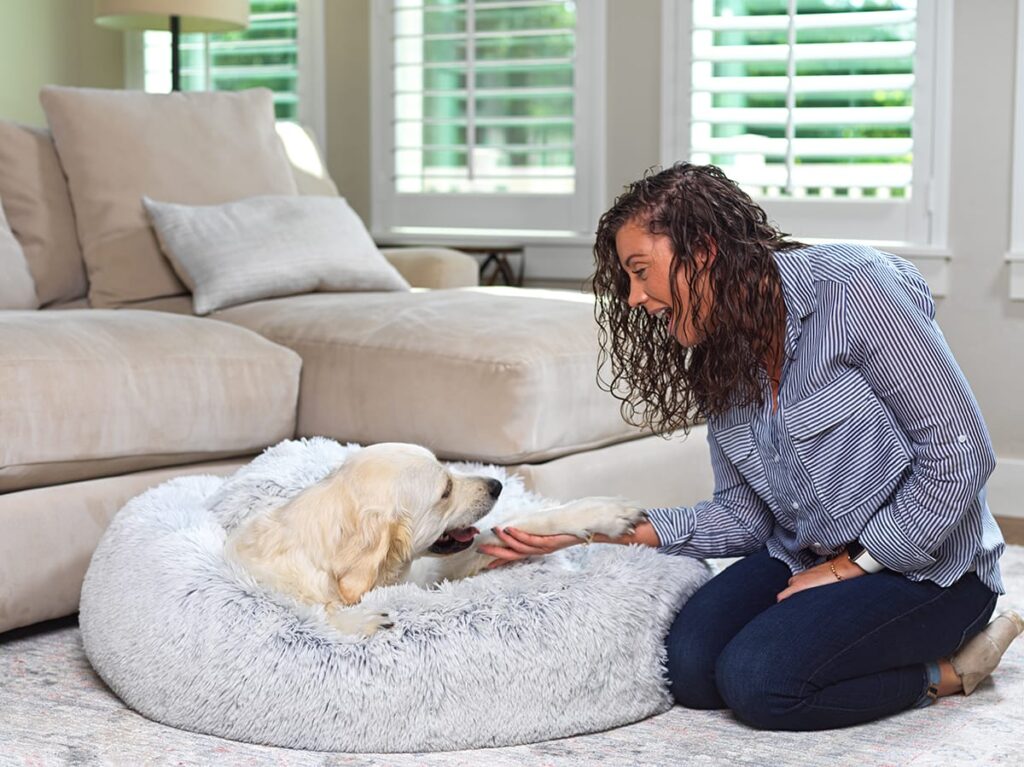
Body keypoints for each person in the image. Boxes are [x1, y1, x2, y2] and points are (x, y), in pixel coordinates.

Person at [478, 162, 1023, 731]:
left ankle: (952, 669)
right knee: (689, 670)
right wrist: (592, 529)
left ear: (704, 251)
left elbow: (961, 453)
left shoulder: (854, 289)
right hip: (807, 551)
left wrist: (851, 567)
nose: (635, 297)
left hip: (931, 568)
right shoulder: (720, 351)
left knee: (760, 682)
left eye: (642, 272)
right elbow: (743, 516)